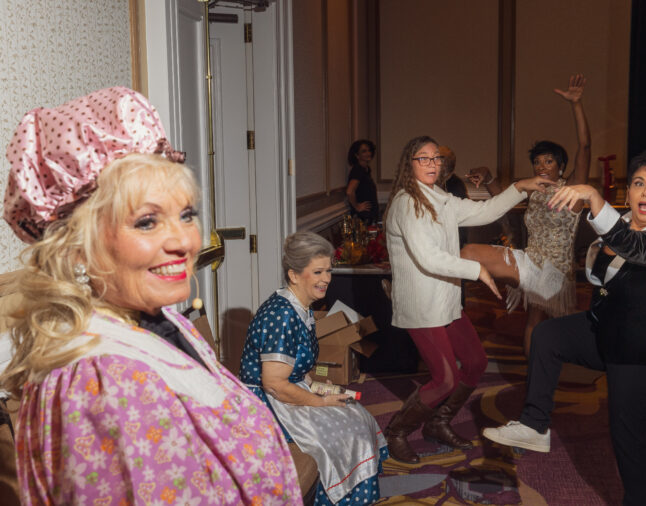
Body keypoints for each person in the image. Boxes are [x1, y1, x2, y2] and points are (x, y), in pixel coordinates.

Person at [0, 87, 301, 504]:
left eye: (186, 214)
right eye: (146, 222)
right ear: (78, 246)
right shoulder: (104, 381)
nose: (184, 241)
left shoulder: (159, 320)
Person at [483, 149, 646, 506]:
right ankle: (535, 425)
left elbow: (638, 248)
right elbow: (599, 275)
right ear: (628, 192)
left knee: (627, 439)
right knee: (548, 335)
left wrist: (596, 200)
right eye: (639, 184)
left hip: (640, 353)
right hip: (605, 332)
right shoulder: (624, 223)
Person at [382, 135, 554, 464]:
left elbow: (486, 211)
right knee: (444, 378)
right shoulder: (407, 202)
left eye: (436, 158)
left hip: (445, 300)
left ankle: (437, 422)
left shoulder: (440, 197)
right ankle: (397, 432)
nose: (432, 164)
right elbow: (428, 257)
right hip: (422, 304)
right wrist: (478, 269)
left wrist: (520, 186)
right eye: (423, 158)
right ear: (410, 164)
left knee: (474, 363)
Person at [239, 231, 387, 506]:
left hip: (286, 390)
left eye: (328, 270)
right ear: (294, 275)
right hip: (267, 405)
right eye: (317, 272)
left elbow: (295, 370)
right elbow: (273, 384)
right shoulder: (281, 315)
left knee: (355, 415)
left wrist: (319, 388)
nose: (327, 278)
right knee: (348, 433)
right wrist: (319, 402)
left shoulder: (300, 306)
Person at [463, 74, 591, 355]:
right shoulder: (533, 191)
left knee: (558, 327)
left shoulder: (572, 190)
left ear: (561, 166)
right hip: (532, 264)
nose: (541, 166)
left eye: (548, 161)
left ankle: (562, 367)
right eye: (537, 161)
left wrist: (577, 105)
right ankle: (537, 375)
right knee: (534, 321)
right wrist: (486, 177)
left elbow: (584, 147)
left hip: (555, 272)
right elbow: (501, 198)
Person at [346, 139, 380, 224]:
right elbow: (349, 191)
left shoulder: (366, 170)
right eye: (364, 151)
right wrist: (357, 207)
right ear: (357, 155)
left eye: (369, 150)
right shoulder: (358, 170)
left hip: (369, 216)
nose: (368, 153)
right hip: (363, 217)